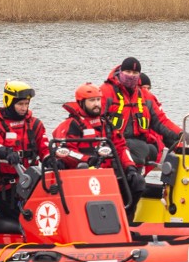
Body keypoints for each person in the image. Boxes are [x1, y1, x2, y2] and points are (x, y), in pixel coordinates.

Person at [53, 83, 146, 219]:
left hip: (107, 174)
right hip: (81, 175)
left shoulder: (106, 123)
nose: (96, 104)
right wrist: (88, 160)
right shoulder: (71, 125)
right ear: (81, 102)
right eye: (92, 101)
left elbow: (121, 147)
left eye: (98, 100)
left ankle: (126, 220)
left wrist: (130, 168)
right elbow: (66, 152)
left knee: (137, 182)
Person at [0, 80, 54, 220]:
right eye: (20, 104)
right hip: (5, 188)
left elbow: (44, 147)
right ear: (9, 102)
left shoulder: (34, 124)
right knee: (22, 217)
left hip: (32, 184)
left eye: (26, 104)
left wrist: (51, 160)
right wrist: (5, 153)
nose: (24, 108)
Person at [100, 57, 183, 169]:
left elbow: (161, 121)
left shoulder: (145, 96)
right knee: (139, 148)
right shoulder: (106, 92)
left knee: (150, 149)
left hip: (139, 144)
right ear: (120, 72)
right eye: (128, 72)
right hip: (114, 144)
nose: (131, 75)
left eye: (135, 73)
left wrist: (181, 134)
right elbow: (96, 120)